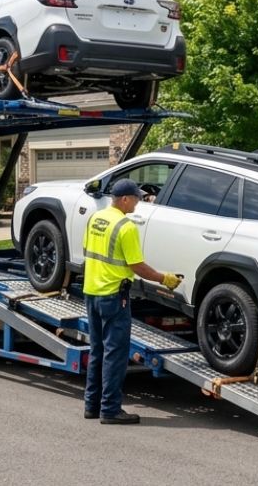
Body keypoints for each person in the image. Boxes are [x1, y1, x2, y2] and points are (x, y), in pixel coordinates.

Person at [82, 178, 181, 425]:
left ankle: (92, 406)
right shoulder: (126, 227)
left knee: (97, 351)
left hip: (92, 292)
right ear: (124, 199)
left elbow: (88, 250)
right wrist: (164, 278)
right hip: (114, 296)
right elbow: (137, 266)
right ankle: (110, 410)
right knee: (115, 354)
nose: (139, 202)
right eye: (136, 198)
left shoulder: (96, 219)